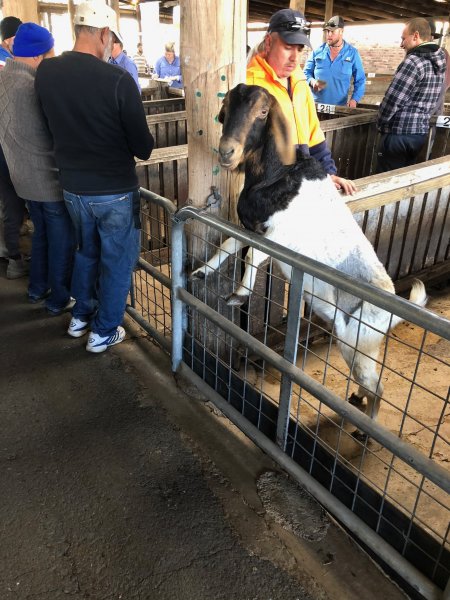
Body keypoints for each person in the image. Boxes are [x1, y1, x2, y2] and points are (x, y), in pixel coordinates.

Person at [35, 0, 154, 353]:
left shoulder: (47, 72)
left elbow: (48, 125)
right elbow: (144, 147)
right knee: (117, 261)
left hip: (73, 188)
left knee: (86, 252)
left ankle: (81, 316)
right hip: (114, 190)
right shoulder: (117, 79)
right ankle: (104, 331)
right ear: (104, 34)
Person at [0, 22, 75, 313]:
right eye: (50, 56)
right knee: (61, 239)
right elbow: (57, 129)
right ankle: (58, 299)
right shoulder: (33, 86)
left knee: (42, 233)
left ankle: (36, 288)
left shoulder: (4, 80)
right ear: (36, 56)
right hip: (46, 179)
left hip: (20, 177)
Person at [246, 8, 355, 195]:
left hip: (300, 184)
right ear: (269, 42)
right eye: (288, 47)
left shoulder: (299, 82)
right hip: (270, 193)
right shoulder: (251, 86)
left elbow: (313, 133)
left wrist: (327, 173)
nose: (295, 57)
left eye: (299, 48)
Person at [376, 17, 446, 173]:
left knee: (386, 180)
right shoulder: (439, 64)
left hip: (399, 133)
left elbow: (393, 99)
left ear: (415, 36)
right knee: (404, 179)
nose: (402, 44)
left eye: (403, 38)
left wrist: (380, 122)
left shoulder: (413, 62)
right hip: (419, 134)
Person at [0, 15, 28, 278]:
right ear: (10, 39)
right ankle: (15, 258)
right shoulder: (12, 67)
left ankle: (13, 258)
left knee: (10, 203)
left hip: (5, 146)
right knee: (18, 202)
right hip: (15, 149)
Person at [304, 15, 365, 108]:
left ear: (341, 31)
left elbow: (360, 80)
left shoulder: (352, 53)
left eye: (332, 31)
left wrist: (354, 99)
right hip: (315, 107)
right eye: (327, 31)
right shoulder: (317, 52)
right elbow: (306, 73)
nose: (329, 34)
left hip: (339, 108)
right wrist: (312, 81)